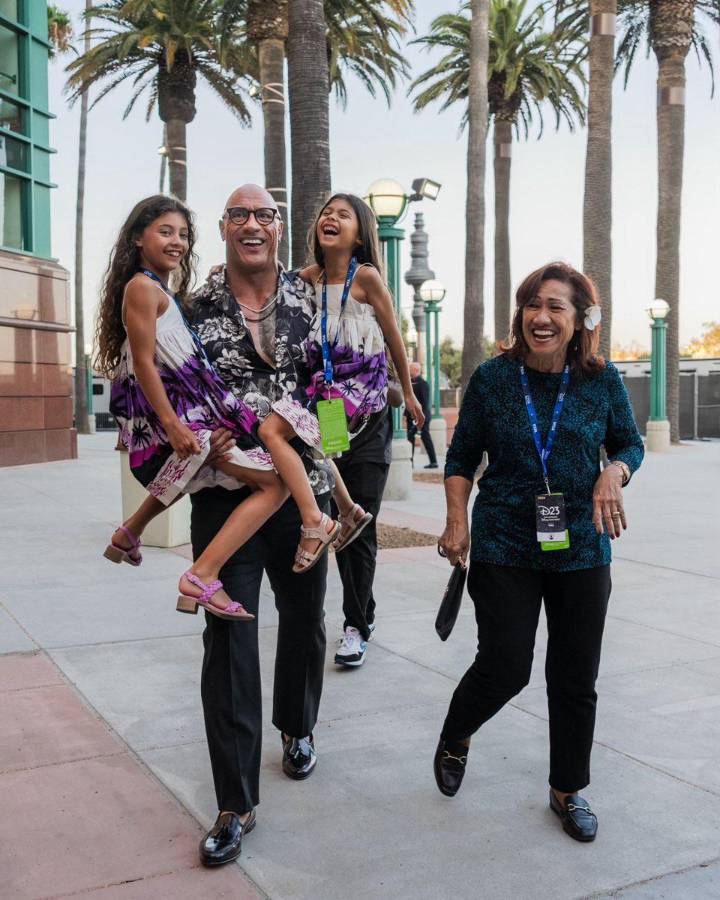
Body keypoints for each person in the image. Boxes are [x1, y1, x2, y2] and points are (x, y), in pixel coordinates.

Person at [435, 261, 644, 843]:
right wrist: (457, 521)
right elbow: (461, 457)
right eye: (533, 304)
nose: (541, 317)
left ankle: (566, 788)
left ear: (580, 320)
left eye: (556, 307)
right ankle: (457, 731)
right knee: (505, 664)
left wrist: (616, 472)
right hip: (504, 540)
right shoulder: (495, 378)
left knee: (575, 677)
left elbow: (627, 440)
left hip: (582, 546)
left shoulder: (601, 380)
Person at [188, 184, 334, 866]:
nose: (253, 225)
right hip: (229, 495)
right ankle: (234, 801)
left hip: (303, 494)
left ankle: (297, 727)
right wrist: (196, 441)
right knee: (230, 640)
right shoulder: (192, 309)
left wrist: (329, 457)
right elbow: (175, 392)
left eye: (265, 215)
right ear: (224, 228)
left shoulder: (312, 300)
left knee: (305, 620)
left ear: (279, 228)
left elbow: (337, 383)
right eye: (240, 215)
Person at [98, 195, 288, 620]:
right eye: (165, 232)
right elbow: (144, 362)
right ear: (137, 238)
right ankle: (202, 573)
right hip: (187, 416)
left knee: (187, 471)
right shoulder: (142, 287)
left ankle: (130, 532)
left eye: (183, 235)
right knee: (277, 484)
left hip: (195, 412)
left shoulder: (158, 289)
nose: (177, 242)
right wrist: (173, 425)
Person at [258, 193, 424, 574]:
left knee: (279, 432)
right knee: (311, 446)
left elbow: (393, 335)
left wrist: (410, 392)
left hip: (360, 384)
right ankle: (347, 511)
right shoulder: (309, 278)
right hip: (328, 390)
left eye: (342, 215)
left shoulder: (365, 277)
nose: (329, 218)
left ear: (360, 235)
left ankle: (326, 518)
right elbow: (275, 278)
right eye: (326, 213)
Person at [331, 383, 402, 666]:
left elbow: (397, 397)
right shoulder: (324, 339)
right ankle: (365, 613)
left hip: (370, 446)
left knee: (360, 533)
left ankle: (356, 628)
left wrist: (372, 375)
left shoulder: (380, 342)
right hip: (333, 433)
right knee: (341, 534)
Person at [405, 360, 438, 468]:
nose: (408, 370)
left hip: (421, 417)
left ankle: (433, 462)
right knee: (411, 438)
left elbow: (424, 402)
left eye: (410, 369)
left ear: (415, 370)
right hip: (413, 417)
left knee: (424, 437)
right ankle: (411, 462)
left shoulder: (423, 384)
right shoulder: (410, 383)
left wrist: (419, 417)